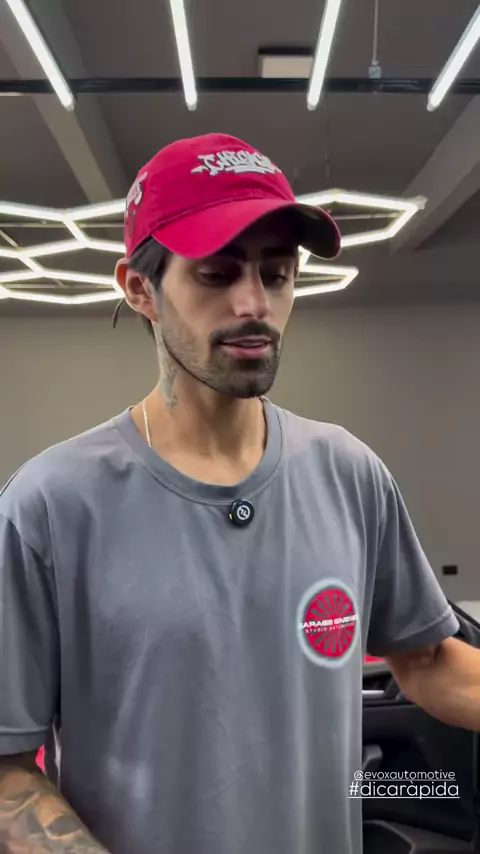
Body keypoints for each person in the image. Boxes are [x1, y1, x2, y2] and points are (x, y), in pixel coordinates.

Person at [0, 132, 479, 854]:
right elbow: (7, 764)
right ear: (139, 288)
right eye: (217, 274)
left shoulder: (348, 473)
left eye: (277, 274)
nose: (254, 304)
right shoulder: (51, 504)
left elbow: (430, 662)